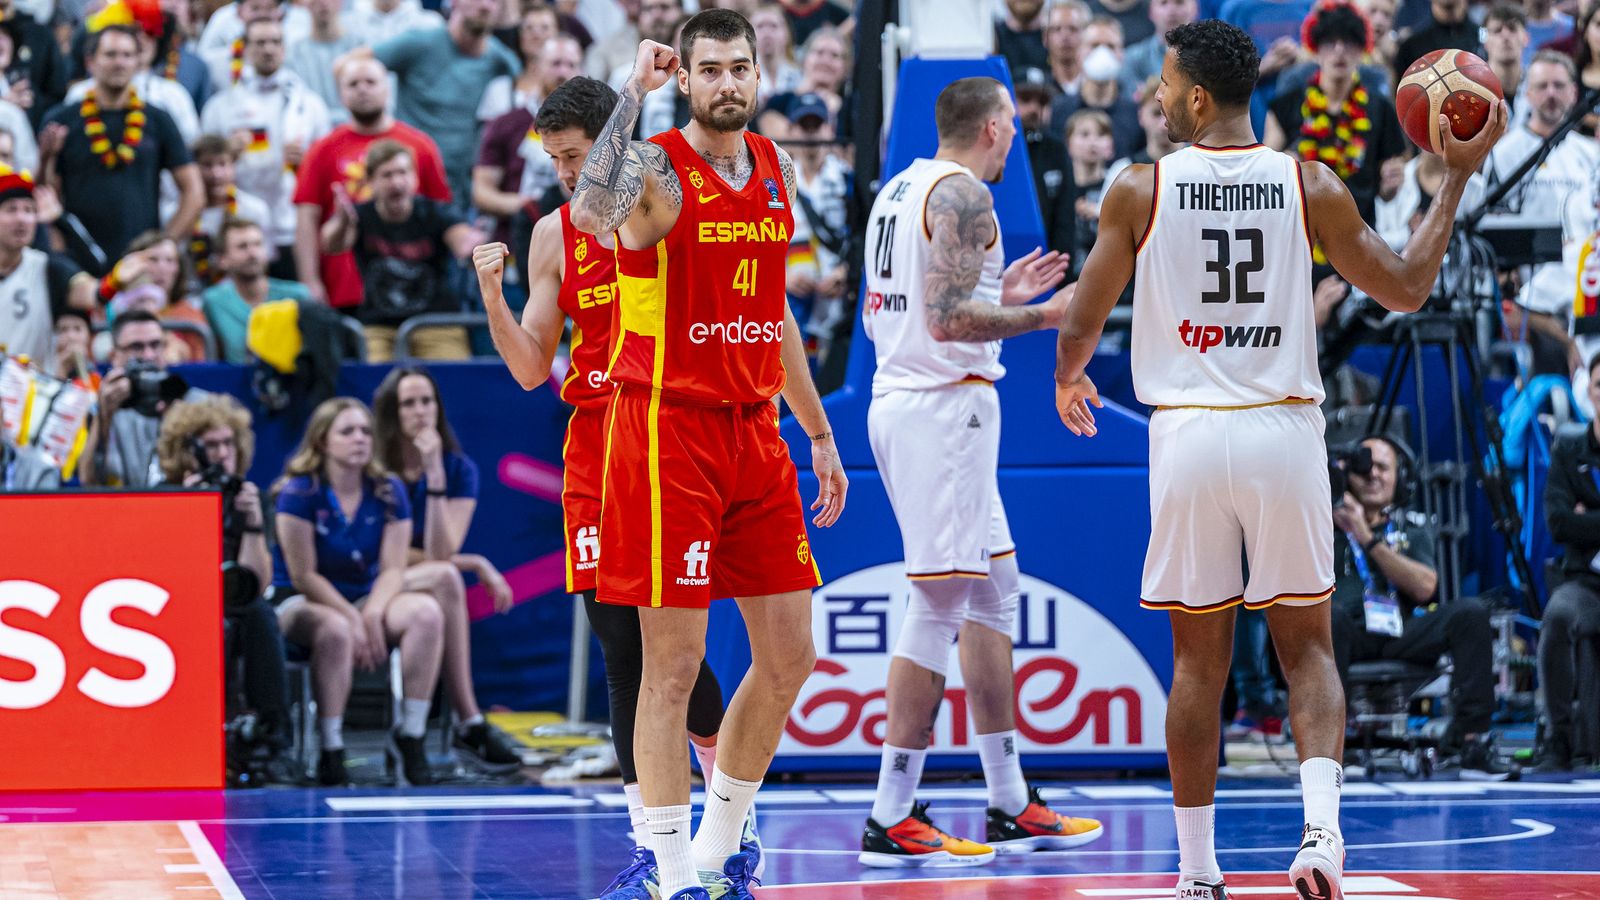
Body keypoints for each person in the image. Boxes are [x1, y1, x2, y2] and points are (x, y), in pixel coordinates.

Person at [1052, 19, 1505, 898]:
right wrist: (1451, 179)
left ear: (1192, 96)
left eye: (1163, 86)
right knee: (1307, 653)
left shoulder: (1137, 189)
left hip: (1186, 433)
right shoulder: (1311, 184)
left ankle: (1195, 873)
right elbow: (1409, 287)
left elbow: (1080, 320)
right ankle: (1322, 839)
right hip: (1284, 431)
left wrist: (1071, 378)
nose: (1152, 98)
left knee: (1196, 664)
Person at [566, 12, 847, 899]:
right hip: (667, 427)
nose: (729, 83)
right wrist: (628, 97)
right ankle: (667, 869)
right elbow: (587, 209)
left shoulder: (776, 167)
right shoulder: (655, 170)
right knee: (672, 665)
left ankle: (721, 848)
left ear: (759, 73)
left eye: (741, 67)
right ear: (684, 78)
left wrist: (819, 429)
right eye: (711, 70)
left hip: (755, 429)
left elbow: (775, 314)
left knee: (791, 653)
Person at [475, 74, 741, 897]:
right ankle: (653, 851)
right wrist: (491, 287)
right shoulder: (554, 234)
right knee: (623, 648)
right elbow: (528, 367)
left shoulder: (665, 201)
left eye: (574, 154)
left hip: (678, 435)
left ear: (614, 143)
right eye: (552, 158)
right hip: (596, 449)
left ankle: (733, 823)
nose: (561, 171)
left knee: (680, 658)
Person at [856, 77, 1100, 868]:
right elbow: (949, 319)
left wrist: (1005, 290)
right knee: (938, 602)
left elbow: (927, 303)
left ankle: (1009, 799)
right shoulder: (964, 194)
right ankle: (892, 812)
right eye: (1015, 127)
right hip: (941, 411)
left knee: (996, 592)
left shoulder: (902, 186)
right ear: (996, 128)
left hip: (917, 400)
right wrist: (1046, 313)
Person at [270, 397, 444, 787]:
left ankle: (410, 735)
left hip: (365, 594)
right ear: (322, 441)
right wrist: (353, 619)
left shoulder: (387, 489)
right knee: (334, 628)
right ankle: (330, 747)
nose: (360, 439)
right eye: (347, 431)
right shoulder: (298, 492)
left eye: (365, 431)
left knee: (426, 613)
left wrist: (372, 614)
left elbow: (394, 568)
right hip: (303, 600)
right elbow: (304, 575)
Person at [1329, 435, 1513, 778]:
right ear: (1348, 474)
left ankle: (1473, 742)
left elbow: (1426, 587)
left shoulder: (1411, 529)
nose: (1374, 476)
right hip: (1346, 632)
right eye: (1365, 467)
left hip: (1400, 631)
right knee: (1328, 616)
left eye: (1384, 467)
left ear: (1400, 478)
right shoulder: (1322, 525)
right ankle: (1329, 750)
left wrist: (1367, 537)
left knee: (1470, 612)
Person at [370, 366, 522, 772]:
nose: (420, 411)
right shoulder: (373, 468)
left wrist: (434, 473)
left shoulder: (457, 469)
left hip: (417, 582)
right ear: (392, 412)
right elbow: (386, 554)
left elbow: (439, 550)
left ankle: (452, 724)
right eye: (408, 403)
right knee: (447, 575)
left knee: (445, 577)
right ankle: (467, 719)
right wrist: (474, 562)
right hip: (373, 580)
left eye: (427, 402)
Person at [157, 394, 295, 778]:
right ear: (189, 451)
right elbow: (168, 571)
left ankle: (270, 735)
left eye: (227, 443)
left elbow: (259, 583)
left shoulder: (249, 498)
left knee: (260, 615)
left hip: (235, 600)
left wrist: (251, 523)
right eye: (211, 445)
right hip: (179, 603)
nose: (222, 454)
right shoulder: (167, 496)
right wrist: (192, 507)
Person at [38, 23, 203, 276]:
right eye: (111, 54)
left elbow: (194, 191)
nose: (120, 63)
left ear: (139, 62)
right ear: (90, 62)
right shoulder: (63, 120)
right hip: (79, 259)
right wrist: (46, 156)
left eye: (127, 55)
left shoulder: (158, 119)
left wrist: (163, 245)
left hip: (141, 261)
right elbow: (45, 194)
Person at [291, 55, 451, 310]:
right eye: (353, 84)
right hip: (344, 286)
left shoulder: (420, 146)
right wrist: (309, 281)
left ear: (387, 89)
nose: (362, 89)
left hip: (418, 286)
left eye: (370, 82)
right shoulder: (322, 150)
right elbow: (306, 219)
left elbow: (442, 214)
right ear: (341, 94)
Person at [320, 140, 481, 361]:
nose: (396, 182)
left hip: (436, 323)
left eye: (402, 173)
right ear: (371, 182)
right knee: (376, 383)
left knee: (452, 382)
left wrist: (472, 244)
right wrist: (341, 221)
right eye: (386, 175)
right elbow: (332, 243)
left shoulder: (435, 212)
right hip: (380, 326)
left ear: (415, 177)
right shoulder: (359, 216)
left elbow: (460, 237)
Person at [199, 16, 332, 279]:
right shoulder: (221, 106)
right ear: (245, 48)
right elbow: (201, 164)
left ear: (284, 48)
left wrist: (307, 162)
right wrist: (227, 154)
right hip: (241, 227)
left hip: (293, 225)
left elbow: (327, 166)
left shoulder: (309, 104)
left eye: (275, 42)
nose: (268, 49)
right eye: (260, 42)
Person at [1538, 355, 1600, 771]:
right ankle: (1558, 739)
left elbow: (1574, 520)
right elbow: (1558, 523)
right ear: (1589, 393)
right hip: (1587, 580)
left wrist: (1586, 517)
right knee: (1559, 615)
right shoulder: (1569, 447)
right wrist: (1574, 519)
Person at [0, 165, 93, 368]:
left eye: (29, 210)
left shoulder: (47, 268)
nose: (22, 218)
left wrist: (61, 220)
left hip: (33, 395)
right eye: (11, 209)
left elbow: (95, 272)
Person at [202, 217, 311, 363]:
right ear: (223, 259)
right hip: (235, 383)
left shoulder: (298, 295)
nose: (252, 253)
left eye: (258, 244)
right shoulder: (213, 301)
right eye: (242, 246)